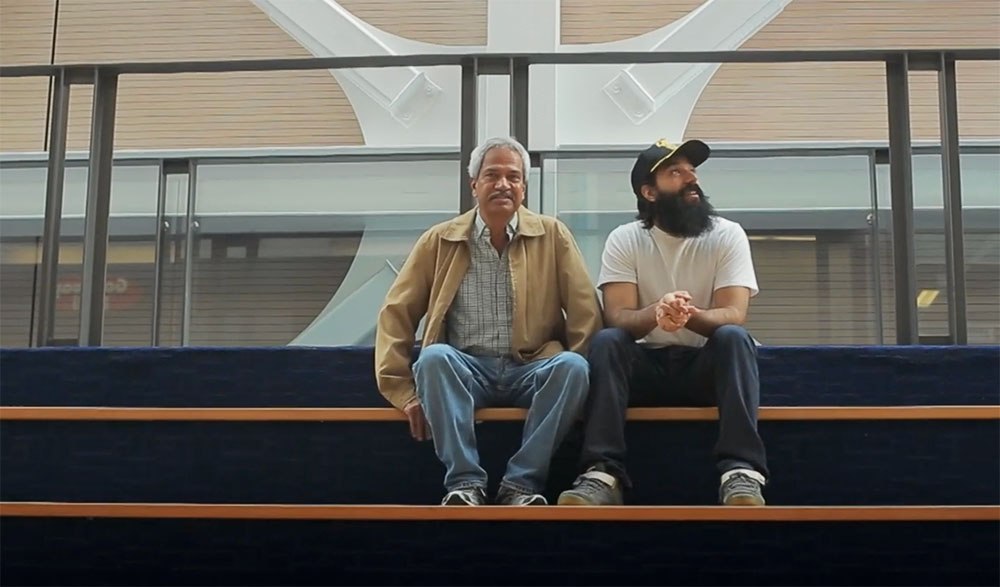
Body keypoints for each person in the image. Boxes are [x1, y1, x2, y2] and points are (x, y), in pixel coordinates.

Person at [375, 136, 602, 506]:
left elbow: (585, 313)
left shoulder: (552, 234)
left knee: (573, 366)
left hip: (533, 366)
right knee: (433, 358)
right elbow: (396, 313)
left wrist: (578, 399)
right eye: (492, 175)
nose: (503, 184)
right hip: (467, 367)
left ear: (524, 189)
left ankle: (522, 486)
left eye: (513, 177)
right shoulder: (440, 240)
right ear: (474, 185)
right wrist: (404, 394)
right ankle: (464, 484)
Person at [558, 138, 770, 507]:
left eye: (693, 172)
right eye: (676, 173)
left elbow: (734, 312)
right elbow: (618, 315)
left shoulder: (727, 234)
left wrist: (687, 315)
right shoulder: (625, 239)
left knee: (735, 337)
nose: (692, 180)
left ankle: (741, 472)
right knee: (608, 341)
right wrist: (657, 311)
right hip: (646, 368)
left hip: (705, 369)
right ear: (649, 192)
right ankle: (602, 473)